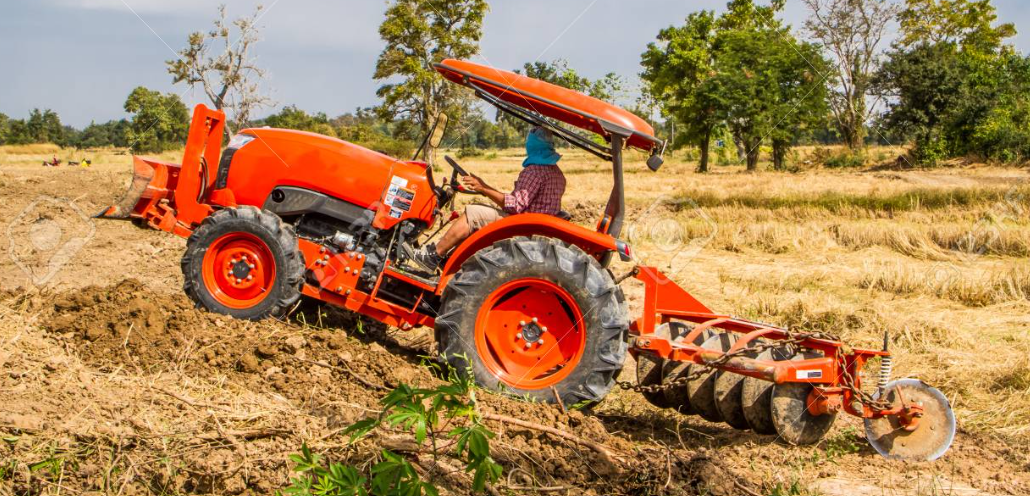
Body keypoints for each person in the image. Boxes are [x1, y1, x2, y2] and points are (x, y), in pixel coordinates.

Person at [408, 126, 567, 271]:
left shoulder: (535, 171)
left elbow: (515, 206)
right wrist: (483, 187)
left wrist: (483, 188)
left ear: (533, 146)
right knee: (482, 212)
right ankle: (450, 260)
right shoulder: (557, 173)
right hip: (536, 225)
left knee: (474, 213)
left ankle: (433, 256)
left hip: (524, 226)